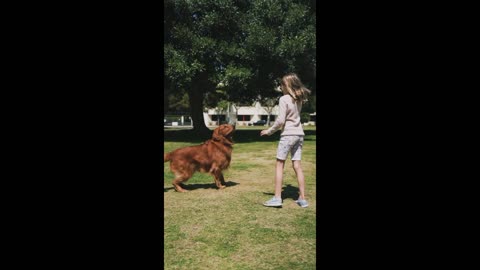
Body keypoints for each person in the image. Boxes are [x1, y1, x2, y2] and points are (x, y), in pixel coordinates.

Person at [260, 73, 311, 208]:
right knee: (297, 166)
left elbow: (281, 121)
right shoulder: (299, 99)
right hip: (299, 135)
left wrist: (269, 131)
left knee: (279, 165)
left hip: (288, 135)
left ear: (286, 85)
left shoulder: (284, 99)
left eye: (281, 85)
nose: (280, 87)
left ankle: (277, 198)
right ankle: (302, 198)